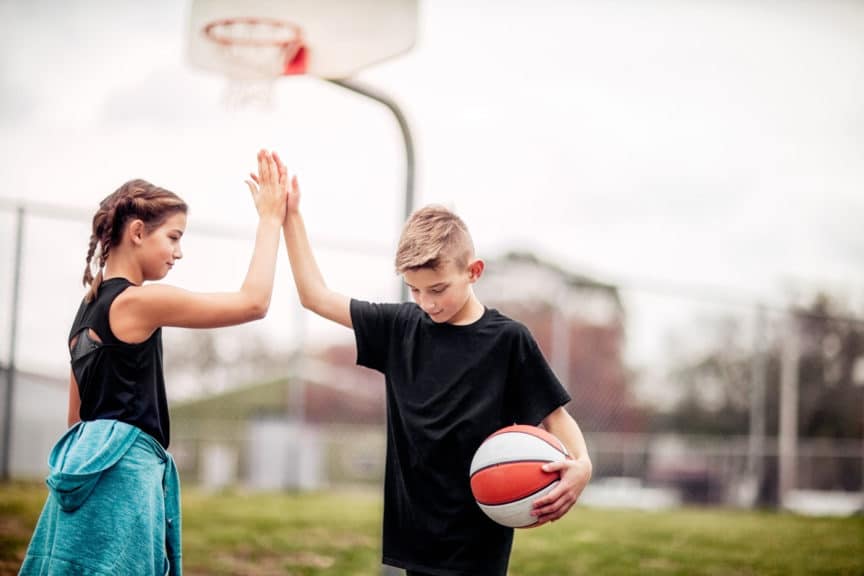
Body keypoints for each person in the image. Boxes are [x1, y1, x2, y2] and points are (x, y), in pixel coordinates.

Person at [277, 154, 593, 576]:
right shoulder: (399, 327)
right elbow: (315, 295)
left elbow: (555, 417)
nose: (427, 303)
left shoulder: (507, 340)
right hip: (416, 539)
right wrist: (290, 217)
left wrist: (583, 464)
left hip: (480, 539)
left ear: (473, 271)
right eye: (415, 290)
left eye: (438, 289)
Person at [19, 150, 288, 576]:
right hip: (124, 480)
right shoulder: (138, 300)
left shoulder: (85, 311)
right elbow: (254, 303)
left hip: (85, 482)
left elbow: (77, 421)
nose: (179, 252)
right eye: (174, 237)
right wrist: (271, 220)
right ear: (139, 232)